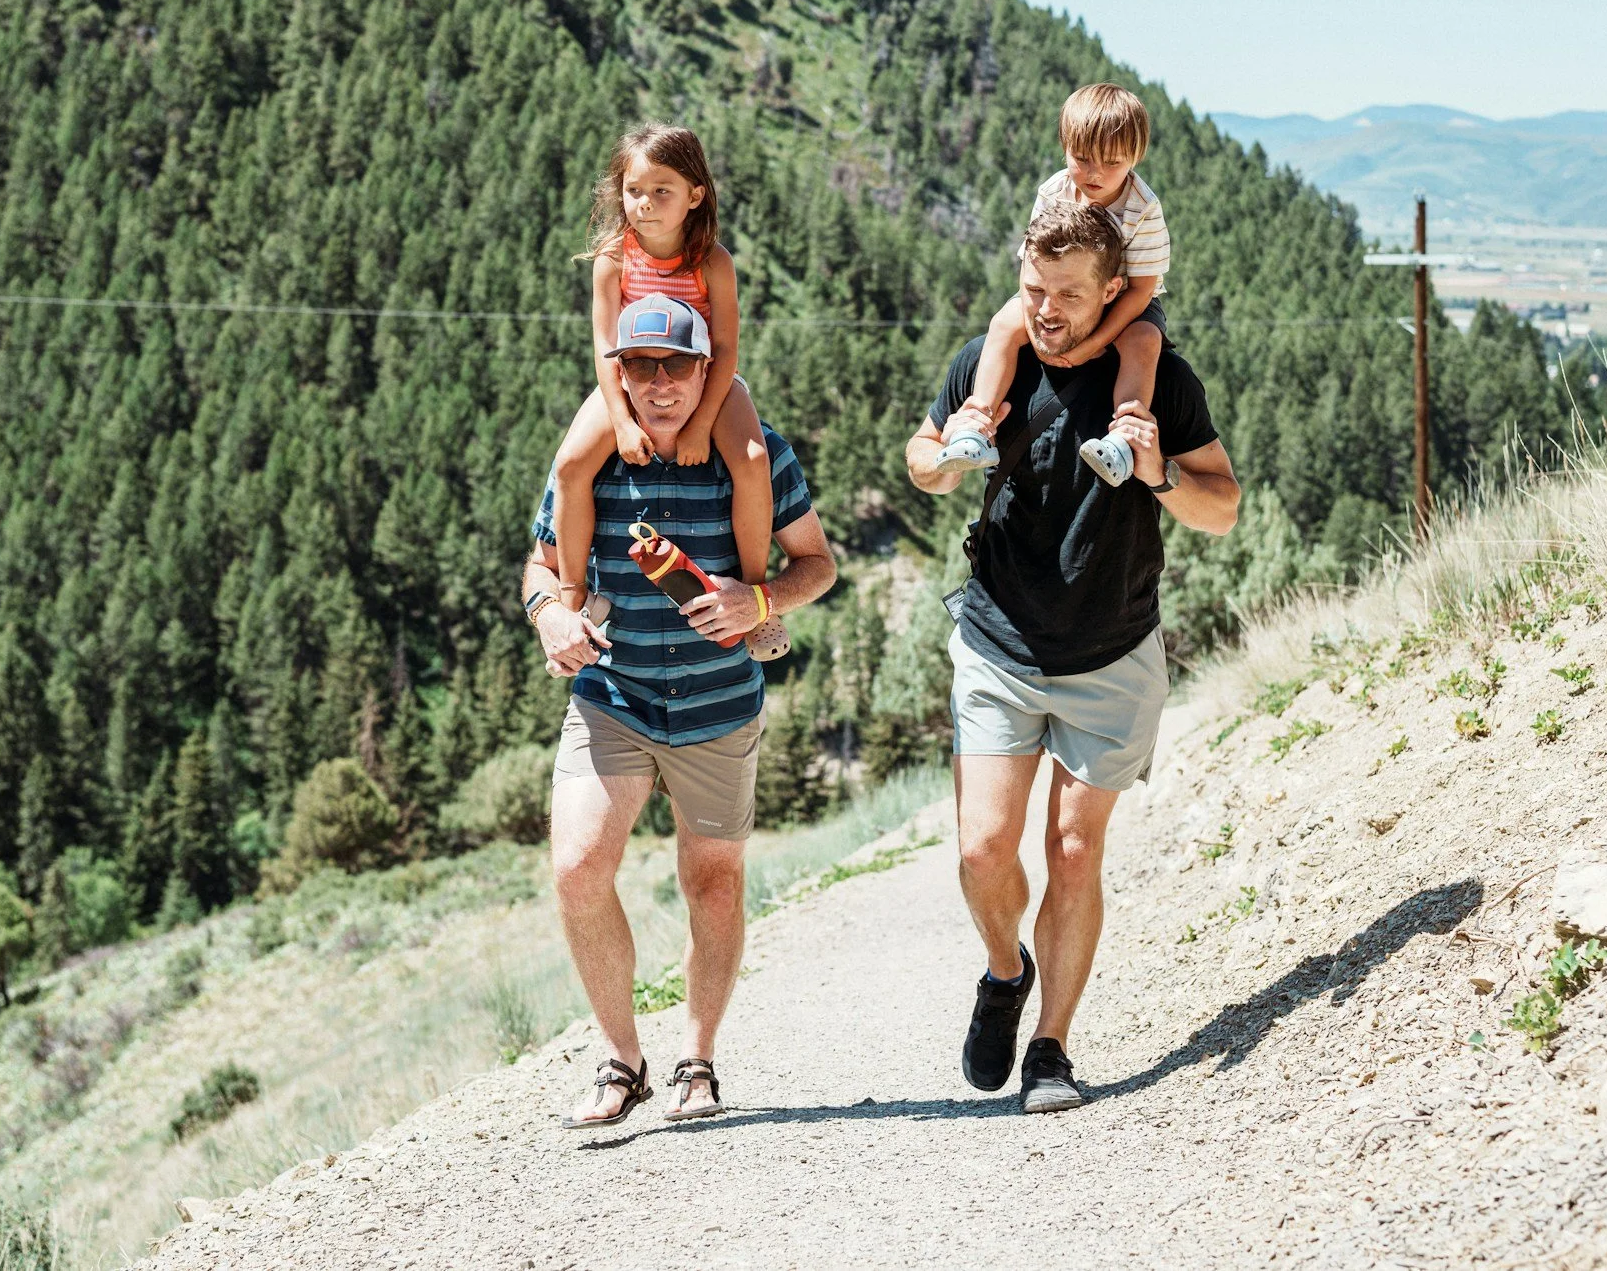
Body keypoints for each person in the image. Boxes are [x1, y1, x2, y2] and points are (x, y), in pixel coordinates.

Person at [904, 200, 1240, 1113]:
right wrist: (940, 465)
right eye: (1031, 289)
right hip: (999, 641)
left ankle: (1051, 1045)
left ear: (1112, 296)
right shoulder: (989, 360)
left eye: (1066, 295)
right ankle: (1004, 970)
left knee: (1075, 849)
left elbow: (1224, 506)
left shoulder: (1160, 379)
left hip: (1112, 649)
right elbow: (920, 453)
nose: (1045, 310)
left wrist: (1160, 470)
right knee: (982, 851)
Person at [525, 294, 837, 1126]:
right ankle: (623, 1060)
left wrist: (758, 598)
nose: (660, 384)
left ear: (708, 370)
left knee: (714, 881)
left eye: (677, 366)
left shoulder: (757, 454)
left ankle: (698, 1059)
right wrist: (549, 613)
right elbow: (541, 564)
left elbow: (819, 566)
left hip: (718, 704)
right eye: (640, 367)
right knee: (577, 868)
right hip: (613, 697)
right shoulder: (595, 460)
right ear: (618, 374)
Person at [551, 124, 781, 654]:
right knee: (569, 466)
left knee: (750, 459)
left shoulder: (712, 261)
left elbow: (725, 350)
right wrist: (624, 420)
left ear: (694, 195)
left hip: (705, 381)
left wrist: (702, 424)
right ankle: (571, 599)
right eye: (635, 191)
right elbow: (604, 343)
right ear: (620, 191)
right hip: (629, 381)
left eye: (662, 191)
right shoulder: (613, 259)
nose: (646, 204)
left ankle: (752, 597)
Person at [936, 84, 1173, 488]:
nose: (1094, 173)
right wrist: (1033, 322)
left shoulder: (1142, 207)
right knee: (1001, 326)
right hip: (1053, 288)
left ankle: (1123, 438)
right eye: (1081, 158)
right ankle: (977, 424)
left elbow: (1142, 289)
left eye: (1112, 162)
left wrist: (1095, 342)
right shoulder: (1054, 190)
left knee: (1144, 341)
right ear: (1065, 147)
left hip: (1125, 299)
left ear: (1135, 157)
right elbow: (1032, 259)